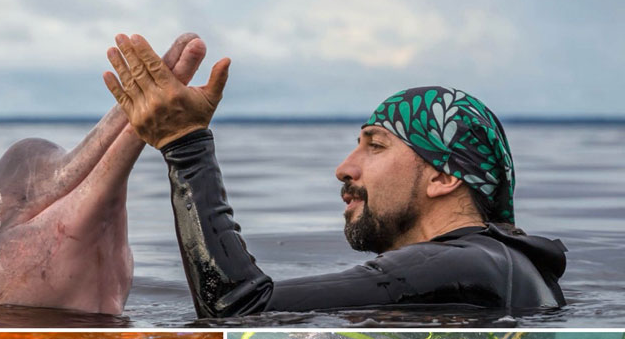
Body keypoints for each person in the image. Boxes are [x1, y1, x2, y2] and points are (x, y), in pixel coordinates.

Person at [103, 34, 567, 319]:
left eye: (376, 144)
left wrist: (185, 145)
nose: (344, 167)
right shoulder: (506, 266)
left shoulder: (459, 264)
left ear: (444, 177)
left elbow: (238, 308)